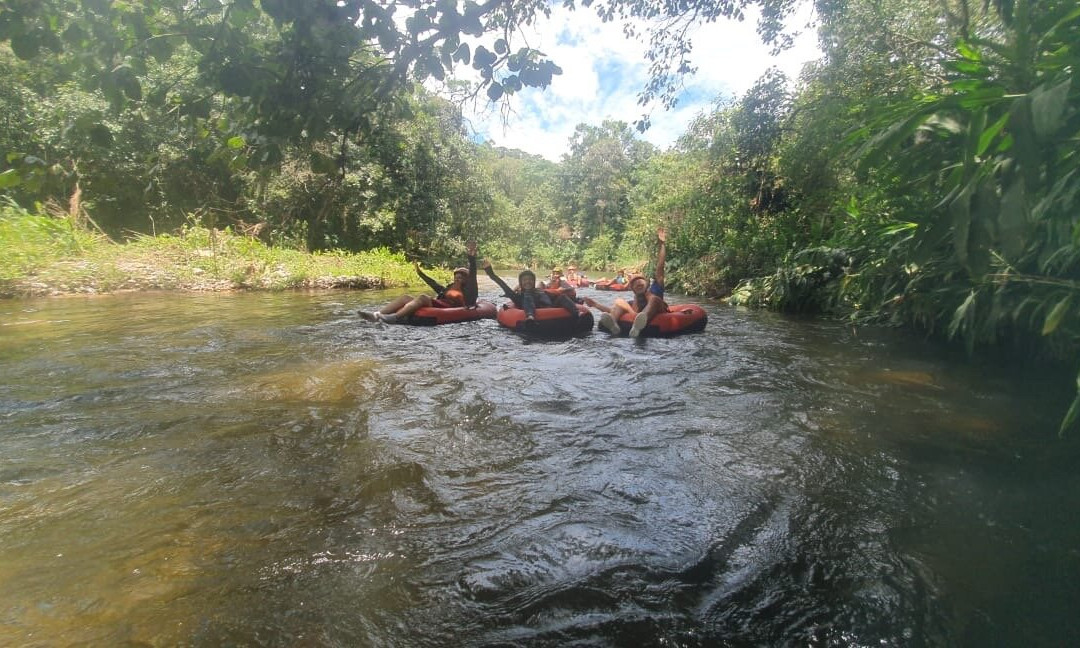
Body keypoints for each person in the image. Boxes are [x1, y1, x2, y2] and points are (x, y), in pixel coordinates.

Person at [358, 241, 478, 323]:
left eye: (460, 277)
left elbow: (473, 275)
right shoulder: (449, 288)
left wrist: (472, 258)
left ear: (466, 279)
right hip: (439, 304)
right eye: (456, 277)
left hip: (451, 307)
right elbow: (433, 283)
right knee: (405, 297)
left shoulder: (469, 290)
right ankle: (376, 315)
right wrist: (420, 273)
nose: (457, 279)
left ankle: (394, 317)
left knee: (423, 297)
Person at [585, 228, 667, 337]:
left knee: (654, 299)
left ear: (647, 283)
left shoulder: (656, 288)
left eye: (640, 280)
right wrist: (595, 304)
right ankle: (614, 326)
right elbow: (613, 310)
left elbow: (660, 268)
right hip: (636, 318)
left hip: (658, 310)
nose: (638, 283)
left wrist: (662, 244)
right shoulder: (634, 302)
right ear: (632, 289)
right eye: (635, 283)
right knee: (619, 302)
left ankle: (639, 323)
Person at [484, 260, 579, 326]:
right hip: (534, 317)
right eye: (525, 280)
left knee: (562, 297)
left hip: (550, 309)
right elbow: (503, 285)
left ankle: (577, 314)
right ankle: (530, 316)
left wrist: (578, 300)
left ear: (534, 281)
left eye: (530, 279)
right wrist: (490, 273)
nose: (528, 282)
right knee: (528, 295)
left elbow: (555, 297)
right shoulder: (518, 296)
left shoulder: (540, 291)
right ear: (521, 283)